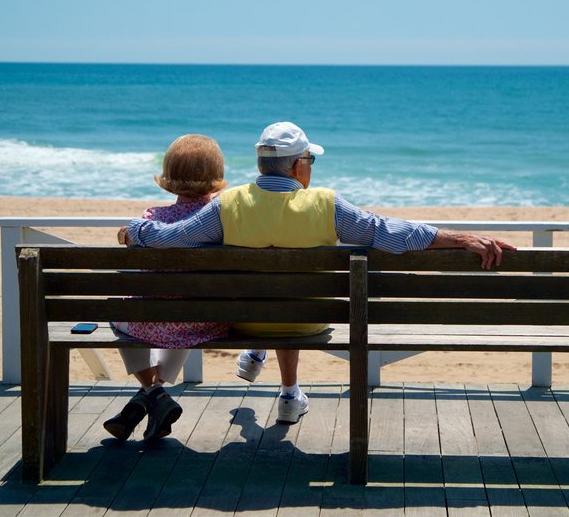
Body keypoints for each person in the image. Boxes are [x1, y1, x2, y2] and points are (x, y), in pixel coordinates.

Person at [120, 122, 515, 425]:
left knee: (269, 297)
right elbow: (388, 231)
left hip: (245, 323)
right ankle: (287, 390)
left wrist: (133, 230)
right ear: (296, 165)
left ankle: (171, 387)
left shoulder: (228, 205)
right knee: (289, 299)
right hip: (306, 323)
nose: (311, 167)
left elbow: (171, 238)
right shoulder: (327, 205)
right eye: (310, 160)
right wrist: (462, 239)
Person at [104, 134, 232, 442]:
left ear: (168, 180)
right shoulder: (224, 221)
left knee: (120, 313)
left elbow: (129, 237)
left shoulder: (152, 219)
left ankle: (153, 393)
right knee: (186, 310)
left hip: (153, 319)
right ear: (216, 180)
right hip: (207, 321)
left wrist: (125, 234)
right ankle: (153, 396)